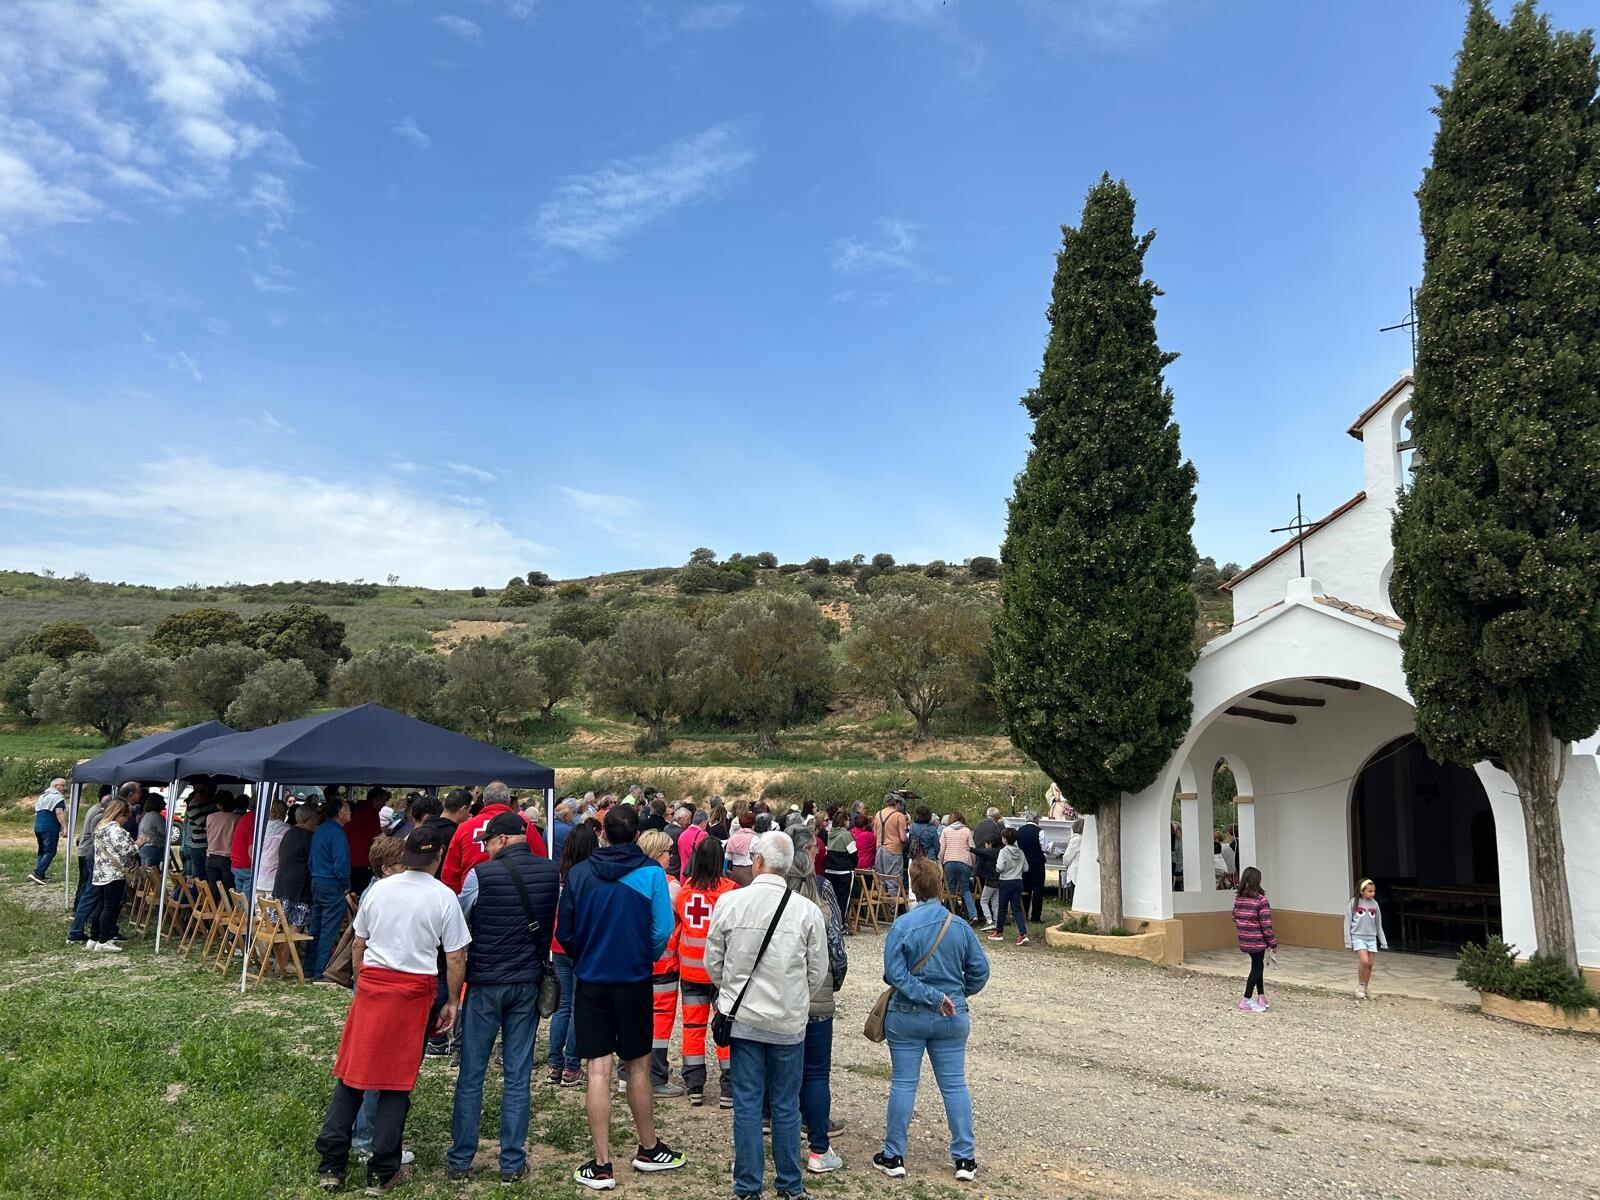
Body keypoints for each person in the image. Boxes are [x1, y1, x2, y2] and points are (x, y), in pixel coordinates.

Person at [314, 826, 470, 1194]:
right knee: (396, 1083)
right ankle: (383, 1171)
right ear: (438, 856)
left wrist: (361, 982)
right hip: (413, 992)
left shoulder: (379, 890)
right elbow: (455, 957)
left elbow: (358, 943)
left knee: (352, 1075)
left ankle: (331, 1165)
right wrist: (452, 1001)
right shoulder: (444, 896)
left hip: (373, 985)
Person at [556, 803, 685, 1190]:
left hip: (593, 977)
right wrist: (643, 955)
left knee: (598, 1069)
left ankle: (602, 1163)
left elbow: (565, 931)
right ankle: (648, 1147)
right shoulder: (651, 873)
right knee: (638, 1066)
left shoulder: (580, 873)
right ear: (637, 836)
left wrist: (587, 953)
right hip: (633, 978)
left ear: (603, 833)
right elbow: (661, 930)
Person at [705, 830, 828, 1200]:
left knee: (747, 1103)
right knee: (786, 1105)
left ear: (757, 862)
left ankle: (747, 1187)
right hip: (787, 1021)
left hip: (743, 1019)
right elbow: (817, 970)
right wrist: (795, 997)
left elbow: (714, 962)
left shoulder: (731, 903)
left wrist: (730, 991)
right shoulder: (807, 911)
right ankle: (790, 1185)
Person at [448, 811, 560, 1184]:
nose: (486, 850)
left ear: (501, 840)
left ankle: (460, 1160)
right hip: (527, 981)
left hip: (485, 980)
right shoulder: (551, 872)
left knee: (471, 1073)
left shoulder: (479, 875)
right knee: (517, 1075)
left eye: (488, 844)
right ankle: (511, 1162)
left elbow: (459, 921)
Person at [874, 858, 989, 1184]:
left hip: (907, 1014)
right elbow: (980, 971)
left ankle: (894, 1154)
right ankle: (964, 1158)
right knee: (954, 1085)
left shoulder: (902, 925)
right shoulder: (960, 927)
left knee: (903, 1083)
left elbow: (894, 974)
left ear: (913, 886)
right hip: (951, 1016)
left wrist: (929, 996)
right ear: (940, 885)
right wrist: (954, 996)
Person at [785, 826, 848, 1176]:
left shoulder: (774, 888)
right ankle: (819, 1146)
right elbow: (836, 943)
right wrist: (834, 981)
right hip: (817, 992)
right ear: (807, 851)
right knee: (817, 1072)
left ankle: (785, 1141)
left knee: (784, 1070)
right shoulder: (821, 890)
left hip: (780, 993)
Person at [674, 835, 737, 1108]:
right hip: (721, 971)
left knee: (692, 1027)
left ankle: (694, 1085)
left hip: (690, 970)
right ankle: (729, 1088)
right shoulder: (731, 891)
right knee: (725, 1027)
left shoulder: (685, 890)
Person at [547, 823, 599, 1089]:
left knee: (562, 1005)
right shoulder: (589, 878)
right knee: (577, 1006)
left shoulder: (557, 876)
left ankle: (554, 1064)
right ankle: (571, 1066)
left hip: (558, 945)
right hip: (581, 945)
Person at [635, 828, 686, 1098]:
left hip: (634, 962)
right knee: (661, 1021)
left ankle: (626, 1073)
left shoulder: (629, 878)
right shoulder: (670, 885)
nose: (671, 857)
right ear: (658, 854)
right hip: (663, 963)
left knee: (633, 1016)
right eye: (668, 852)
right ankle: (655, 1076)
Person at [441, 781, 547, 893]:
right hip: (514, 891)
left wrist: (462, 897)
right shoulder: (524, 825)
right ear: (508, 801)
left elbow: (449, 874)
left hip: (474, 893)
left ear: (484, 801)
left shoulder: (464, 827)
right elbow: (541, 857)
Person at [68, 784, 121, 944]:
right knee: (91, 894)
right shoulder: (101, 817)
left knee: (91, 892)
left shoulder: (96, 812)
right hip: (92, 855)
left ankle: (83, 928)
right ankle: (76, 930)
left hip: (90, 854)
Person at [85, 796, 139, 952]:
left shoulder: (101, 827)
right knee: (110, 907)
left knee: (100, 905)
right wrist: (138, 844)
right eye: (126, 817)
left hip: (101, 872)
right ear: (120, 814)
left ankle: (93, 938)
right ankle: (104, 940)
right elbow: (126, 850)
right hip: (114, 873)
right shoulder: (115, 830)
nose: (126, 820)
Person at [308, 794, 353, 980]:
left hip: (317, 880)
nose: (350, 813)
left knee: (316, 926)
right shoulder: (338, 834)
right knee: (329, 929)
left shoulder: (319, 830)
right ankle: (321, 970)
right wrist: (345, 885)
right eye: (348, 809)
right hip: (332, 884)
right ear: (341, 813)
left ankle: (309, 966)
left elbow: (311, 860)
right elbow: (341, 864)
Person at [1232, 866, 1277, 1013]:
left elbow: (1234, 916)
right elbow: (1266, 925)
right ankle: (1245, 999)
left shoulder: (1239, 899)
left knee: (1257, 965)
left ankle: (1261, 996)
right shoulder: (1261, 901)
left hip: (1244, 939)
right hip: (1257, 941)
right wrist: (1273, 943)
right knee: (1257, 967)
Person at [276, 802, 319, 928]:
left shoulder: (289, 832)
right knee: (296, 926)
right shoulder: (308, 837)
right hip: (298, 890)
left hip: (283, 886)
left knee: (282, 927)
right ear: (311, 819)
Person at [1345, 878, 1388, 1001]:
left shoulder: (1375, 904)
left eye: (1374, 891)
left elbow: (1378, 924)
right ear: (1361, 891)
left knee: (1370, 964)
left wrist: (1383, 941)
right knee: (1364, 961)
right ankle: (1360, 985)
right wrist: (1348, 941)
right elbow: (1347, 922)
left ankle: (1365, 987)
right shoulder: (1354, 903)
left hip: (1371, 938)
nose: (1372, 893)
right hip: (1358, 937)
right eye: (1369, 891)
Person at [989, 828, 1029, 945]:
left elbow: (1000, 867)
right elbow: (1026, 868)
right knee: (1016, 908)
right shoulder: (1020, 852)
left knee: (1002, 907)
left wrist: (998, 868)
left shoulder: (1003, 851)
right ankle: (1023, 933)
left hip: (1006, 881)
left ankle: (999, 932)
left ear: (1005, 839)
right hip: (1018, 881)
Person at [938, 811, 977, 922]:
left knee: (950, 890)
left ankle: (949, 915)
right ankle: (973, 914)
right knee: (965, 889)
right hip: (964, 862)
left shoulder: (946, 831)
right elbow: (972, 849)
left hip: (949, 862)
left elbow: (941, 849)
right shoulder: (967, 831)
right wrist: (973, 864)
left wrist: (940, 863)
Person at [29, 776, 67, 885]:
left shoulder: (43, 796)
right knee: (50, 851)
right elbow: (59, 813)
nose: (64, 788)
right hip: (50, 827)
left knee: (42, 850)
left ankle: (40, 873)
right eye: (62, 785)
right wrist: (65, 827)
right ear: (56, 786)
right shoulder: (57, 797)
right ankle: (39, 873)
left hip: (38, 827)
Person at [345, 789, 384, 894]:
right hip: (362, 861)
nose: (384, 804)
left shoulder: (356, 809)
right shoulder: (371, 813)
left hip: (348, 857)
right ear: (376, 800)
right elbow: (377, 839)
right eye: (384, 801)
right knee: (361, 893)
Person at [204, 792, 240, 896]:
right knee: (229, 889)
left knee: (214, 890)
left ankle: (215, 906)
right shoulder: (236, 818)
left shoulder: (210, 817)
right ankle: (226, 906)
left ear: (219, 804)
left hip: (211, 856)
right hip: (227, 857)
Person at [873, 794, 909, 897]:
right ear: (897, 803)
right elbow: (903, 838)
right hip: (893, 851)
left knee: (881, 881)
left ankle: (882, 906)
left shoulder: (878, 814)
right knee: (893, 882)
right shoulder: (899, 816)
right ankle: (893, 907)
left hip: (879, 850)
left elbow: (875, 834)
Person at [182, 781, 216, 884]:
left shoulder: (210, 801)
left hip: (209, 845)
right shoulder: (193, 807)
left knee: (207, 876)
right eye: (200, 791)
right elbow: (206, 826)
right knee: (200, 877)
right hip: (199, 847)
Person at [1016, 810, 1047, 925]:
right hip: (1037, 863)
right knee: (1038, 889)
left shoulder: (1020, 830)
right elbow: (1045, 848)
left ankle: (1024, 913)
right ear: (1036, 819)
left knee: (1025, 888)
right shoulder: (1040, 832)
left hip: (1023, 863)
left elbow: (1017, 847)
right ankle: (1035, 917)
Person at [255, 799, 292, 896]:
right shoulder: (286, 829)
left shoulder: (259, 827)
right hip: (274, 879)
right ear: (282, 813)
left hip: (258, 877)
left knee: (258, 905)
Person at [823, 821, 858, 916]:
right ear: (845, 821)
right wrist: (854, 866)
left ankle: (830, 920)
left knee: (831, 898)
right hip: (844, 871)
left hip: (829, 869)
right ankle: (840, 921)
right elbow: (853, 853)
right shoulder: (846, 835)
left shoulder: (830, 833)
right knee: (843, 899)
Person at [972, 831, 1001, 931]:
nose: (985, 845)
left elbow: (980, 852)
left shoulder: (989, 852)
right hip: (999, 880)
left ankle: (989, 921)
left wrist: (970, 848)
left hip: (990, 881)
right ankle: (997, 922)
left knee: (983, 901)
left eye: (986, 843)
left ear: (990, 844)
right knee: (995, 902)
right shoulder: (1000, 852)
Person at [229, 797, 257, 896]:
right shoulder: (255, 820)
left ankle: (240, 907)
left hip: (236, 862)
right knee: (246, 900)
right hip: (247, 864)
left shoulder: (244, 817)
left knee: (239, 897)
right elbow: (251, 849)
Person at [725, 810, 758, 887]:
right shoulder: (755, 839)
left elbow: (728, 857)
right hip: (748, 872)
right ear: (753, 825)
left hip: (734, 871)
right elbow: (756, 858)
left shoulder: (733, 837)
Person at [676, 809, 708, 883]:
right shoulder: (703, 835)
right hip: (697, 876)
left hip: (684, 874)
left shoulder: (682, 834)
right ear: (703, 822)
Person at [136, 793, 167, 868]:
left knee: (145, 872)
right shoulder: (157, 816)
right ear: (157, 804)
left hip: (143, 848)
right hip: (153, 849)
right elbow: (165, 832)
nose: (165, 803)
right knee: (153, 873)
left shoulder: (146, 815)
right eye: (163, 801)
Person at [1062, 818, 1084, 909]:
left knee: (1074, 894)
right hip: (1080, 869)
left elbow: (1067, 857)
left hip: (1075, 870)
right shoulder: (1082, 839)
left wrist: (1065, 864)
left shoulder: (1075, 840)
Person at [550, 798, 577, 863]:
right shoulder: (569, 830)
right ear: (566, 816)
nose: (574, 814)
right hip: (563, 864)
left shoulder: (549, 826)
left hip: (550, 862)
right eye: (572, 812)